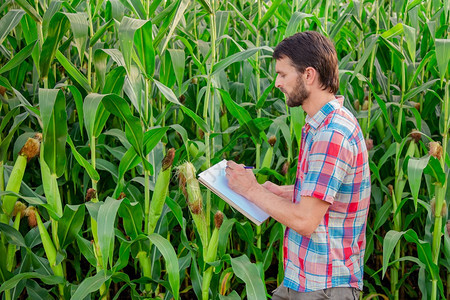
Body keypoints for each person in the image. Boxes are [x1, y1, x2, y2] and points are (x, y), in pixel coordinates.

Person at [225, 31, 370, 300]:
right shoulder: (322, 125)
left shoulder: (332, 134)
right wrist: (282, 191)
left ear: (309, 75)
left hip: (323, 285)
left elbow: (305, 220)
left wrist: (251, 190)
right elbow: (329, 191)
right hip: (304, 278)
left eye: (283, 74)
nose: (277, 83)